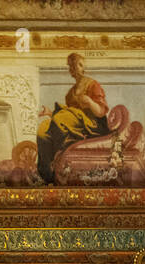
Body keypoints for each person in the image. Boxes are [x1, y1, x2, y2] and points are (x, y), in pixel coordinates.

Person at [36, 52, 109, 183]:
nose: (74, 69)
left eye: (77, 65)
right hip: (75, 121)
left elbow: (101, 111)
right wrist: (49, 113)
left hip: (91, 124)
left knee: (59, 119)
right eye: (71, 66)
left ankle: (61, 156)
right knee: (43, 129)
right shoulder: (70, 94)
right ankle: (47, 174)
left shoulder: (92, 85)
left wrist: (90, 102)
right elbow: (67, 117)